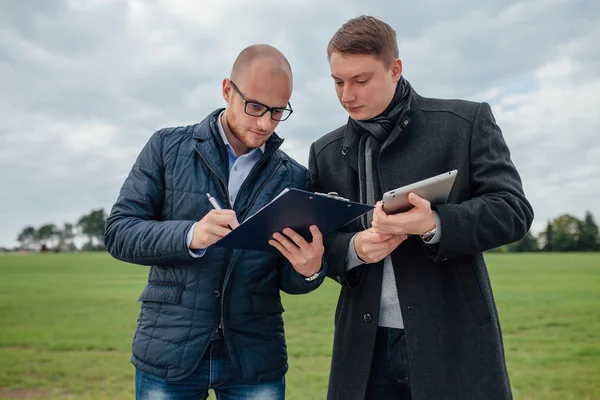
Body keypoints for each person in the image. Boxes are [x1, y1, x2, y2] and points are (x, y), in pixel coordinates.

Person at [308, 16, 534, 400]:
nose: (347, 95)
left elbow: (513, 211)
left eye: (360, 81)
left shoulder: (464, 123)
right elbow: (319, 242)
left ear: (395, 69)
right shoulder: (325, 152)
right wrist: (353, 249)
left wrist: (435, 223)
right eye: (338, 82)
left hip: (453, 341)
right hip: (364, 349)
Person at [105, 44, 326, 400]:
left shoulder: (294, 177)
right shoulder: (165, 147)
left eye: (278, 112)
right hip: (169, 349)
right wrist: (191, 234)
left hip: (254, 356)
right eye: (255, 106)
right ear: (227, 90)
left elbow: (288, 278)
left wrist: (310, 270)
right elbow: (118, 232)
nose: (265, 122)